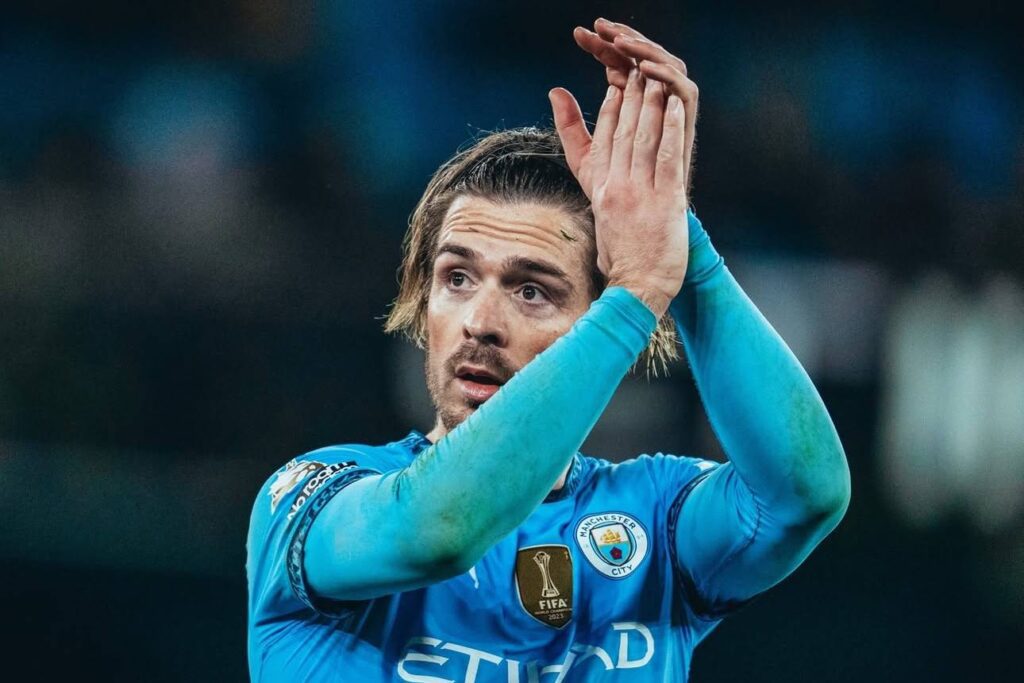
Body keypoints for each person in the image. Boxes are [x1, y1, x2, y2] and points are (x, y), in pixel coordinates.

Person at [246, 17, 850, 682]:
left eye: (532, 291)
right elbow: (439, 529)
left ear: (604, 327)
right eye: (456, 277)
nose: (481, 320)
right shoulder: (312, 496)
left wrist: (680, 246)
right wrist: (631, 296)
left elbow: (803, 495)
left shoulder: (653, 521)